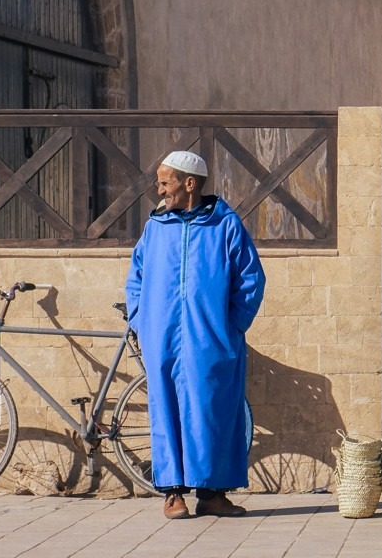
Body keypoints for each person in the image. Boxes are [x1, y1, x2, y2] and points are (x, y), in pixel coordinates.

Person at [125, 150, 266, 519]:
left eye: (165, 182)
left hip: (211, 341)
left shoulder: (226, 226)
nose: (159, 190)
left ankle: (212, 493)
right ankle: (172, 493)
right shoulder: (155, 227)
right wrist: (141, 320)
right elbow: (136, 277)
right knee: (166, 409)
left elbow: (250, 281)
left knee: (212, 412)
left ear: (190, 184)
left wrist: (231, 327)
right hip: (162, 338)